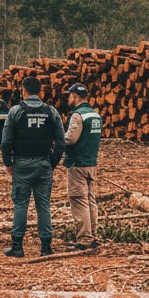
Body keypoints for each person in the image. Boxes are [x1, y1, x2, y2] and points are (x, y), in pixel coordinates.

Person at [1, 76, 65, 257]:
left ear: (23, 90)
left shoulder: (16, 111)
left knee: (21, 204)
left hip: (22, 163)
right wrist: (51, 163)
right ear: (40, 91)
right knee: (43, 205)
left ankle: (17, 246)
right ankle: (46, 246)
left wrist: (8, 162)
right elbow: (60, 142)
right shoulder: (51, 111)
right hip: (43, 163)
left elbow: (6, 141)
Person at [63, 83, 103, 250]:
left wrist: (58, 140)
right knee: (90, 199)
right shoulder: (95, 115)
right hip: (91, 162)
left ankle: (84, 238)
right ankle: (93, 232)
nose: (68, 98)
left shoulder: (78, 115)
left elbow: (71, 138)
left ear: (76, 96)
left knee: (79, 199)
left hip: (78, 162)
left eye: (70, 95)